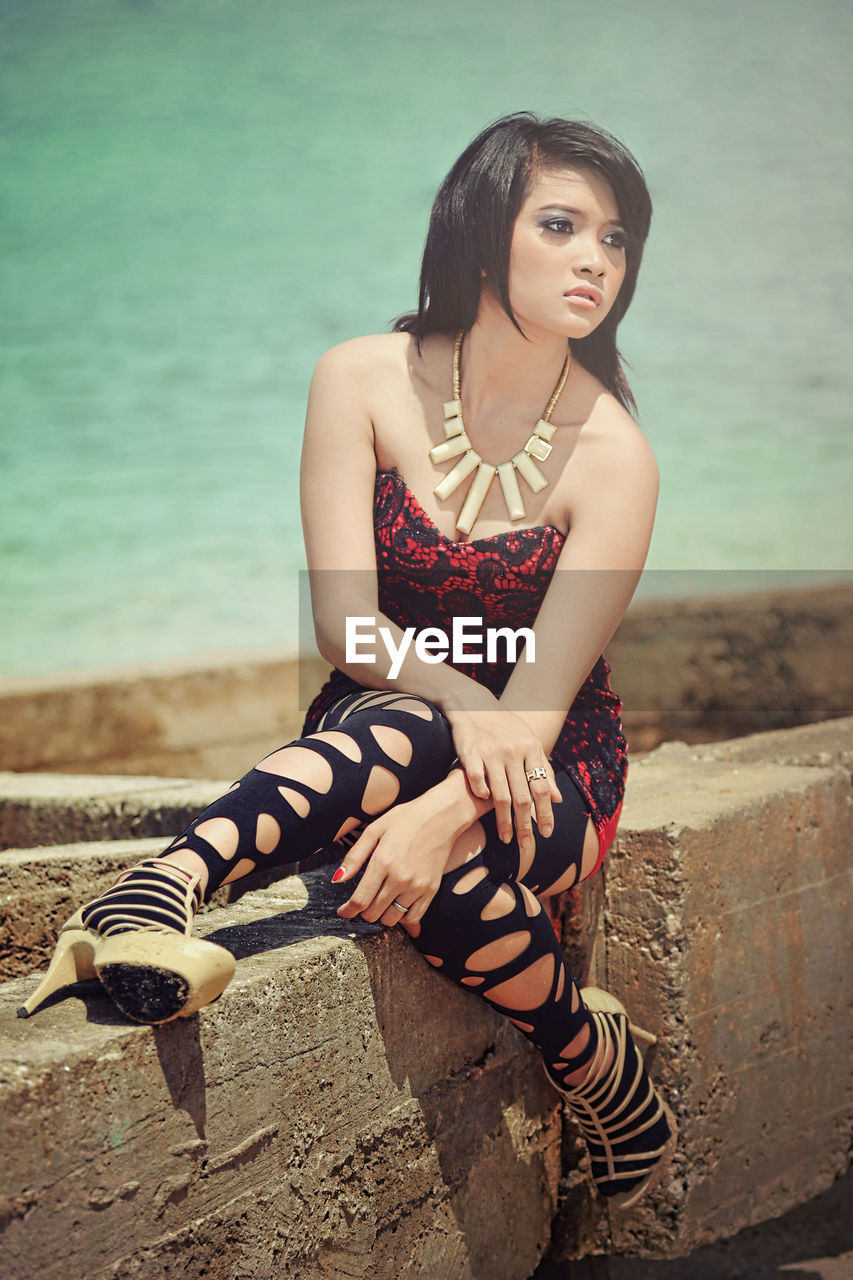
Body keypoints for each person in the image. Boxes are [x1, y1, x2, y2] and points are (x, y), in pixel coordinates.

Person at [19, 113, 676, 1210]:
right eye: (560, 225)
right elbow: (347, 627)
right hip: (378, 720)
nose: (594, 259)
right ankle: (597, 1067)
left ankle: (161, 884)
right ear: (479, 234)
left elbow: (539, 708)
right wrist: (460, 699)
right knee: (407, 742)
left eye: (615, 238)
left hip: (551, 769)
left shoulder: (616, 458)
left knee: (422, 824)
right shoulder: (360, 378)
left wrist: (438, 813)